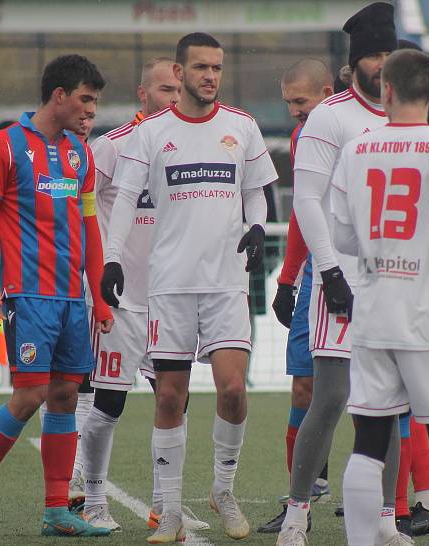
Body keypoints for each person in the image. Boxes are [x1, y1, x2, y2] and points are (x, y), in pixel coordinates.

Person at [102, 32, 278, 543]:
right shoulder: (152, 133)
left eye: (217, 68)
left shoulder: (241, 126)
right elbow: (128, 196)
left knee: (233, 388)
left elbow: (257, 193)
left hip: (225, 283)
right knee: (169, 398)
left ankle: (223, 489)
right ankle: (171, 510)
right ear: (179, 73)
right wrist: (112, 261)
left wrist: (259, 225)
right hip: (171, 284)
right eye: (201, 67)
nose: (210, 76)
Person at [334, 48, 429, 546]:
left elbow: (342, 235)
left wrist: (382, 250)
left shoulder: (357, 147)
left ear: (386, 90)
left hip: (375, 313)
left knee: (369, 443)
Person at [0, 54, 114, 538]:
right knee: (30, 396)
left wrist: (99, 294)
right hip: (28, 295)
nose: (91, 110)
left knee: (65, 396)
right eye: (85, 99)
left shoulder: (79, 153)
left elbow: (89, 225)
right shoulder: (3, 146)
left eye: (95, 102)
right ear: (59, 96)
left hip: (71, 299)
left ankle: (55, 510)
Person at [277, 4, 409, 546]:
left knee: (389, 401)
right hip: (341, 277)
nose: (381, 65)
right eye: (372, 56)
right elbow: (306, 200)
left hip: (396, 280)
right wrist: (328, 272)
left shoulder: (412, 113)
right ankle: (298, 511)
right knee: (330, 397)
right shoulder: (330, 117)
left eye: (387, 54)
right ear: (354, 64)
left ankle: (385, 519)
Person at [76, 56, 206, 533]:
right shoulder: (113, 147)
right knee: (109, 403)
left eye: (178, 90)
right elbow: (84, 210)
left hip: (171, 297)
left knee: (175, 401)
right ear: (142, 93)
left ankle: (164, 503)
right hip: (122, 301)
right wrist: (97, 280)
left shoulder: (189, 145)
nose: (173, 97)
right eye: (165, 90)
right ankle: (92, 500)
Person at [257, 58, 335, 535]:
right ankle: (300, 500)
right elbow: (305, 216)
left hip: (369, 278)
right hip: (316, 281)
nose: (293, 113)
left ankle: (402, 506)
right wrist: (288, 280)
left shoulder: (362, 127)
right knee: (304, 387)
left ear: (328, 92)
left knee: (385, 394)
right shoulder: (302, 136)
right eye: (288, 104)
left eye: (300, 102)